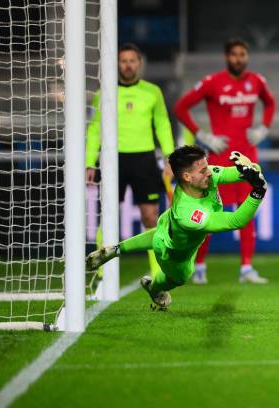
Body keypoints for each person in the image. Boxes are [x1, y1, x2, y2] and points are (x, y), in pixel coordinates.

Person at [85, 145, 267, 310]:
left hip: (167, 224)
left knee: (160, 233)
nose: (209, 173)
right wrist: (257, 193)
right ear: (187, 176)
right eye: (203, 170)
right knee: (180, 276)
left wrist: (248, 167)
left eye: (207, 167)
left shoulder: (203, 176)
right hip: (172, 252)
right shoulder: (189, 214)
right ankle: (154, 289)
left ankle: (116, 249)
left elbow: (240, 173)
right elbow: (235, 221)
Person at [174, 38, 276, 284]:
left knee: (247, 210)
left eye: (242, 54)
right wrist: (202, 135)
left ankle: (246, 269)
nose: (238, 58)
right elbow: (181, 107)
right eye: (234, 54)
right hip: (220, 156)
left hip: (248, 156)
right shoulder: (213, 83)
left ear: (247, 57)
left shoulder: (256, 81)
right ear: (226, 57)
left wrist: (263, 128)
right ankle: (198, 267)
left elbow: (270, 103)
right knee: (208, 213)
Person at [85, 43, 174, 278]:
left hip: (144, 159)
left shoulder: (152, 91)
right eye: (123, 60)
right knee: (108, 214)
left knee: (150, 216)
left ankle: (157, 271)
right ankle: (102, 272)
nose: (128, 65)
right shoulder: (103, 94)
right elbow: (94, 129)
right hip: (113, 159)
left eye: (132, 60)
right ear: (117, 64)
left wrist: (170, 157)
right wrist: (89, 162)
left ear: (139, 63)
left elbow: (163, 124)